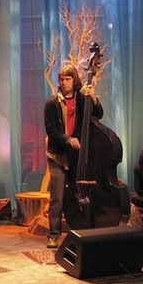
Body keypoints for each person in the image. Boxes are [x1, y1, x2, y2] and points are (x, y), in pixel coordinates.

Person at [44, 64, 103, 249]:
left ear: (74, 80)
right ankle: (53, 234)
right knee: (58, 196)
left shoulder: (81, 98)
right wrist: (68, 139)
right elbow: (51, 130)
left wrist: (93, 98)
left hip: (77, 155)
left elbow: (98, 115)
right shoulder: (52, 103)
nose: (64, 82)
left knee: (79, 193)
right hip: (58, 155)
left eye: (67, 79)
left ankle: (82, 228)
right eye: (61, 79)